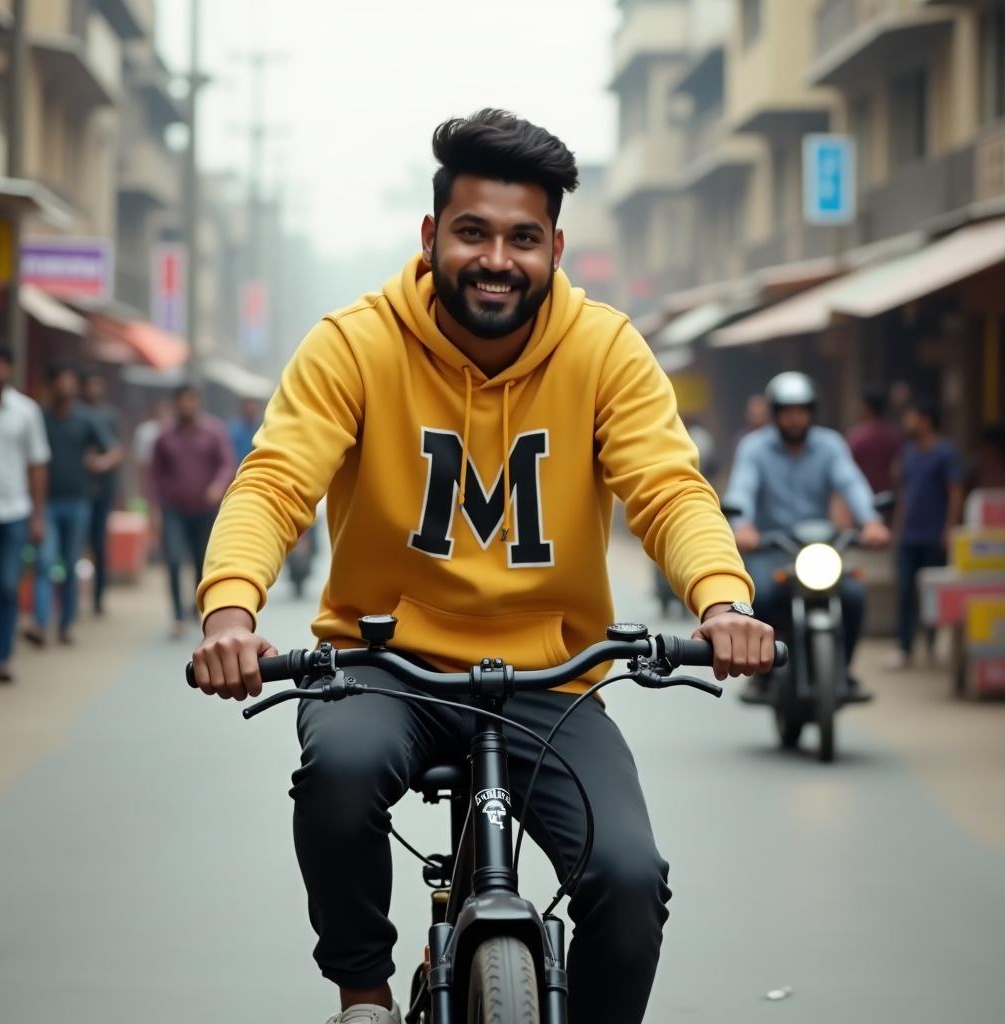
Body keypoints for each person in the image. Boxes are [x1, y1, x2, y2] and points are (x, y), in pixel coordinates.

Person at [189, 109, 773, 1024]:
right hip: (381, 666)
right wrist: (230, 611)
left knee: (629, 883)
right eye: (473, 233)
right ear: (431, 238)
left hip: (554, 677)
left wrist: (723, 600)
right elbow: (275, 484)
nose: (497, 258)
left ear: (554, 247)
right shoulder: (354, 343)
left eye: (523, 239)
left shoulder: (606, 349)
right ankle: (364, 996)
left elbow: (668, 488)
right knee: (336, 783)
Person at [725, 371, 889, 694]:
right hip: (772, 547)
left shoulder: (830, 445)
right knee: (763, 596)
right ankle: (764, 669)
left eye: (801, 410)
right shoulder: (754, 448)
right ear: (775, 413)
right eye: (787, 410)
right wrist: (742, 525)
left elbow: (851, 483)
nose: (794, 417)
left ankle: (842, 669)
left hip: (820, 547)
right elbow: (742, 488)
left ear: (812, 412)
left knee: (854, 597)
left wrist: (871, 521)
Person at [25, 364, 117, 647]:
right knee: (45, 562)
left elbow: (114, 450)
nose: (66, 386)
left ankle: (65, 624)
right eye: (60, 381)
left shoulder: (87, 419)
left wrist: (98, 463)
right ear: (51, 385)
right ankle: (40, 624)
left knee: (71, 562)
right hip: (47, 504)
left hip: (78, 502)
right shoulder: (38, 417)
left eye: (70, 381)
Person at [0, 345, 49, 682]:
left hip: (13, 510)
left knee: (7, 585)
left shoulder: (25, 411)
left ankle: (0, 656)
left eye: (2, 364)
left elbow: (37, 465)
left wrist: (38, 516)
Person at [151, 385, 235, 638]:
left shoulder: (213, 432)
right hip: (174, 510)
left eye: (191, 400)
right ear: (176, 404)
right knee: (174, 560)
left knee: (203, 562)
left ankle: (198, 609)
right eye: (182, 401)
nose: (187, 405)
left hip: (205, 510)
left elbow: (226, 463)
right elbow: (154, 474)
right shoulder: (164, 436)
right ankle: (177, 615)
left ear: (197, 402)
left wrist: (218, 486)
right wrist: (154, 509)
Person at [887, 400, 964, 670]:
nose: (906, 422)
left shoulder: (945, 453)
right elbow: (904, 494)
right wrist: (897, 529)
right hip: (910, 535)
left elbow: (954, 491)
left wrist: (949, 529)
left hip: (934, 535)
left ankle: (932, 645)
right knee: (905, 592)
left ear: (926, 420)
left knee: (931, 594)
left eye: (912, 416)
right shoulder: (908, 453)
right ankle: (905, 647)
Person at [80, 368, 124, 615]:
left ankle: (98, 596)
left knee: (98, 542)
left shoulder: (109, 415)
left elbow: (117, 451)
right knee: (78, 544)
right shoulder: (77, 413)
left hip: (103, 489)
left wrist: (100, 463)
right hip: (78, 489)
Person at [847, 388, 901, 495]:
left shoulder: (858, 437)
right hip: (888, 497)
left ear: (867, 408)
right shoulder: (893, 436)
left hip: (861, 496)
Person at [227, 397, 262, 464]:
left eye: (254, 406)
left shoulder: (261, 427)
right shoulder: (234, 428)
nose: (251, 409)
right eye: (249, 406)